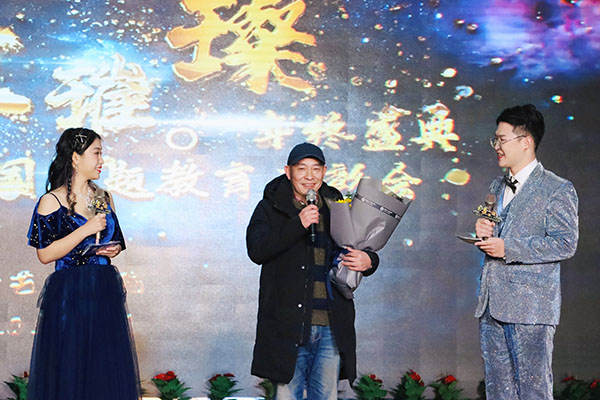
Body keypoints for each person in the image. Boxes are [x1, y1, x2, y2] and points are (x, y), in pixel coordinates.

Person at [246, 143, 379, 400]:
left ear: (324, 171)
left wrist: (369, 260)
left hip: (331, 325)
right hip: (289, 326)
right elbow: (257, 250)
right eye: (302, 169)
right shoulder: (270, 207)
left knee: (326, 395)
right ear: (288, 172)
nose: (309, 176)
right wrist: (299, 223)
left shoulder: (336, 205)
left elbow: (360, 245)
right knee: (288, 395)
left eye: (316, 169)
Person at [26, 128, 141, 400]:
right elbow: (45, 254)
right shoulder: (52, 201)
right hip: (70, 292)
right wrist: (85, 230)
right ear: (76, 158)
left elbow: (112, 239)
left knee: (104, 366)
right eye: (96, 153)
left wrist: (111, 249)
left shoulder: (103, 197)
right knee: (71, 365)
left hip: (103, 288)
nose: (101, 160)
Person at [474, 105, 579, 399]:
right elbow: (492, 228)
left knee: (533, 390)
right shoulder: (496, 185)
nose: (496, 146)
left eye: (502, 139)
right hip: (491, 304)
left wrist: (507, 247)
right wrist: (483, 230)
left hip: (531, 308)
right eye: (495, 139)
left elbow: (565, 242)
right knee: (497, 390)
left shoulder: (557, 188)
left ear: (526, 141)